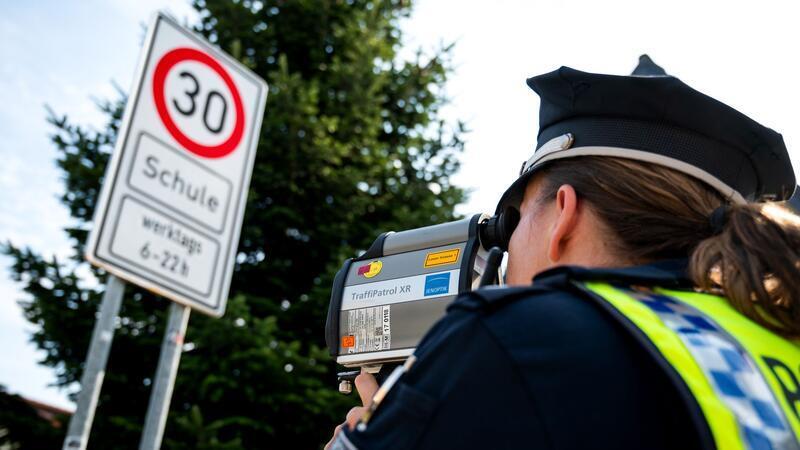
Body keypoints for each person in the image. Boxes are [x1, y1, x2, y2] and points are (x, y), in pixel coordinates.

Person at [325, 55, 800, 450]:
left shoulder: (520, 341)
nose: (506, 246)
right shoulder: (778, 342)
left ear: (564, 214)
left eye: (515, 218)